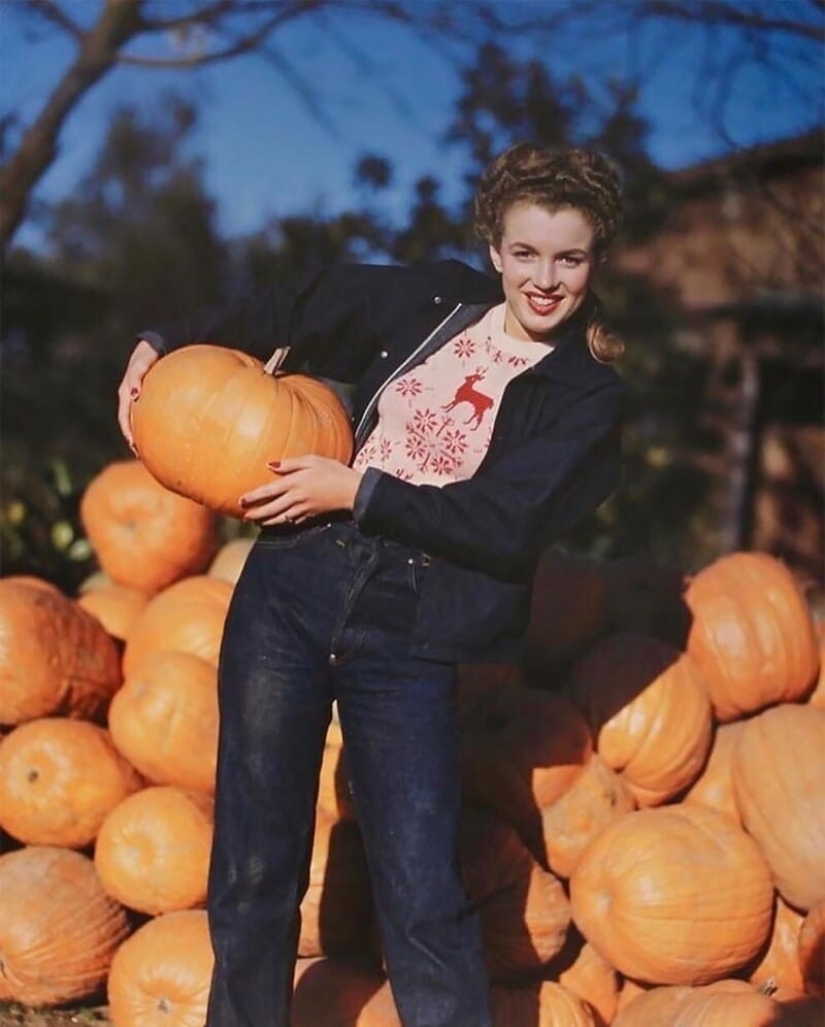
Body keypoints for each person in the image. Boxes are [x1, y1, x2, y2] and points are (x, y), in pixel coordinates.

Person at [117, 142, 627, 1027]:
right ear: (495, 247)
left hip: (411, 624)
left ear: (595, 260)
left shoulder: (587, 397)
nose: (544, 278)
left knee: (420, 879)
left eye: (568, 257)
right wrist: (167, 339)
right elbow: (298, 301)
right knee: (252, 858)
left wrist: (359, 488)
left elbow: (507, 522)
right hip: (291, 581)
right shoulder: (435, 300)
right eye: (526, 253)